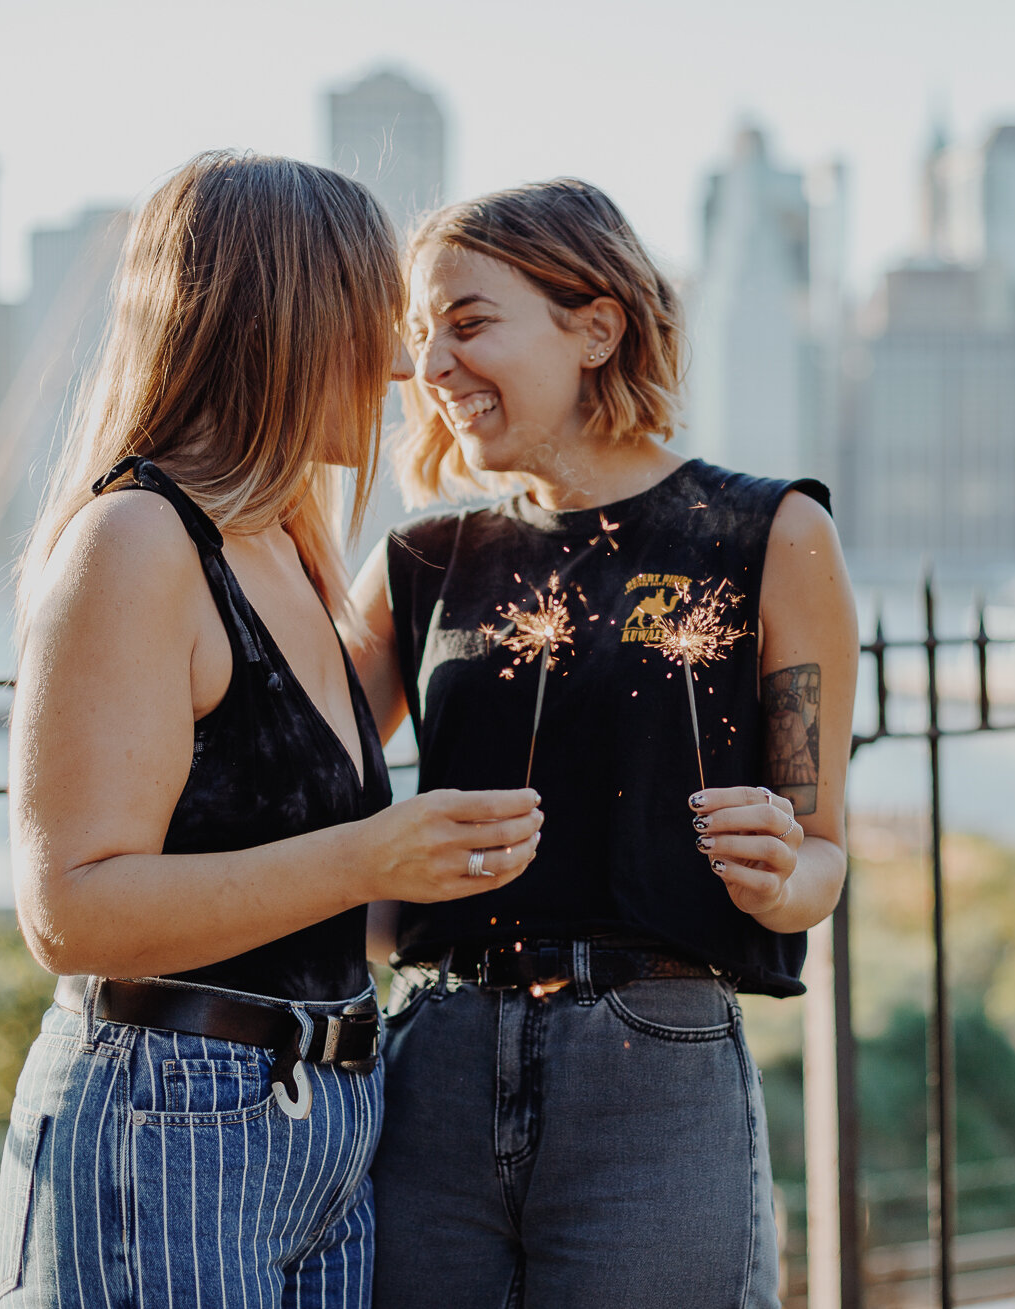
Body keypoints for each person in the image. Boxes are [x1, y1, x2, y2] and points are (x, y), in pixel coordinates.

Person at [0, 151, 542, 1307]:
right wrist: (374, 852)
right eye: (369, 321)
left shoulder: (290, 543)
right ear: (278, 326)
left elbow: (308, 885)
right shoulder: (136, 541)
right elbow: (71, 910)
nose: (402, 364)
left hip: (327, 1123)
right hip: (170, 1123)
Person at [349, 178, 857, 1309]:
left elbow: (821, 853)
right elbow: (301, 783)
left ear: (595, 325)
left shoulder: (769, 534)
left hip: (654, 1068)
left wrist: (781, 876)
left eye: (468, 323)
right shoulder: (418, 560)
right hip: (431, 1063)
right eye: (421, 337)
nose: (432, 366)